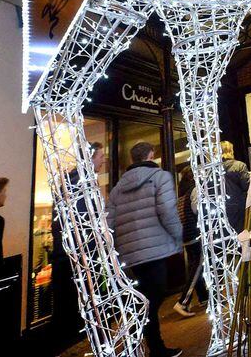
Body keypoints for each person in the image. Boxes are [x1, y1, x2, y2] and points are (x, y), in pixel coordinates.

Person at [106, 142, 182, 357]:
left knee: (145, 299)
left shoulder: (117, 189)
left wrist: (117, 250)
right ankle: (148, 344)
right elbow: (167, 210)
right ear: (151, 154)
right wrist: (177, 237)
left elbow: (109, 223)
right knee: (152, 298)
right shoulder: (161, 177)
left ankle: (146, 345)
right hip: (156, 248)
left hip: (130, 254)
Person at [52, 142, 105, 342]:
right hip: (81, 255)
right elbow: (83, 222)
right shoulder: (80, 184)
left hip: (73, 254)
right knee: (81, 304)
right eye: (101, 156)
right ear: (90, 158)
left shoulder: (71, 182)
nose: (104, 160)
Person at [173, 165, 207, 317]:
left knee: (195, 265)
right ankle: (183, 302)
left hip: (185, 235)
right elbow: (197, 210)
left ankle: (203, 297)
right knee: (198, 266)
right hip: (194, 233)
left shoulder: (180, 195)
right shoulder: (193, 190)